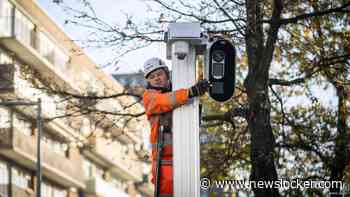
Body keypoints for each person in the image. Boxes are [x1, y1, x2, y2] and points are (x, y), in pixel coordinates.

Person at [142, 57, 209, 196]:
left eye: (159, 74)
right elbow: (166, 101)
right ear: (148, 81)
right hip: (164, 161)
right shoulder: (149, 97)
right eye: (152, 77)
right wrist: (191, 92)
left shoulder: (179, 90)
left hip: (185, 155)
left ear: (167, 74)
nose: (156, 78)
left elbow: (177, 96)